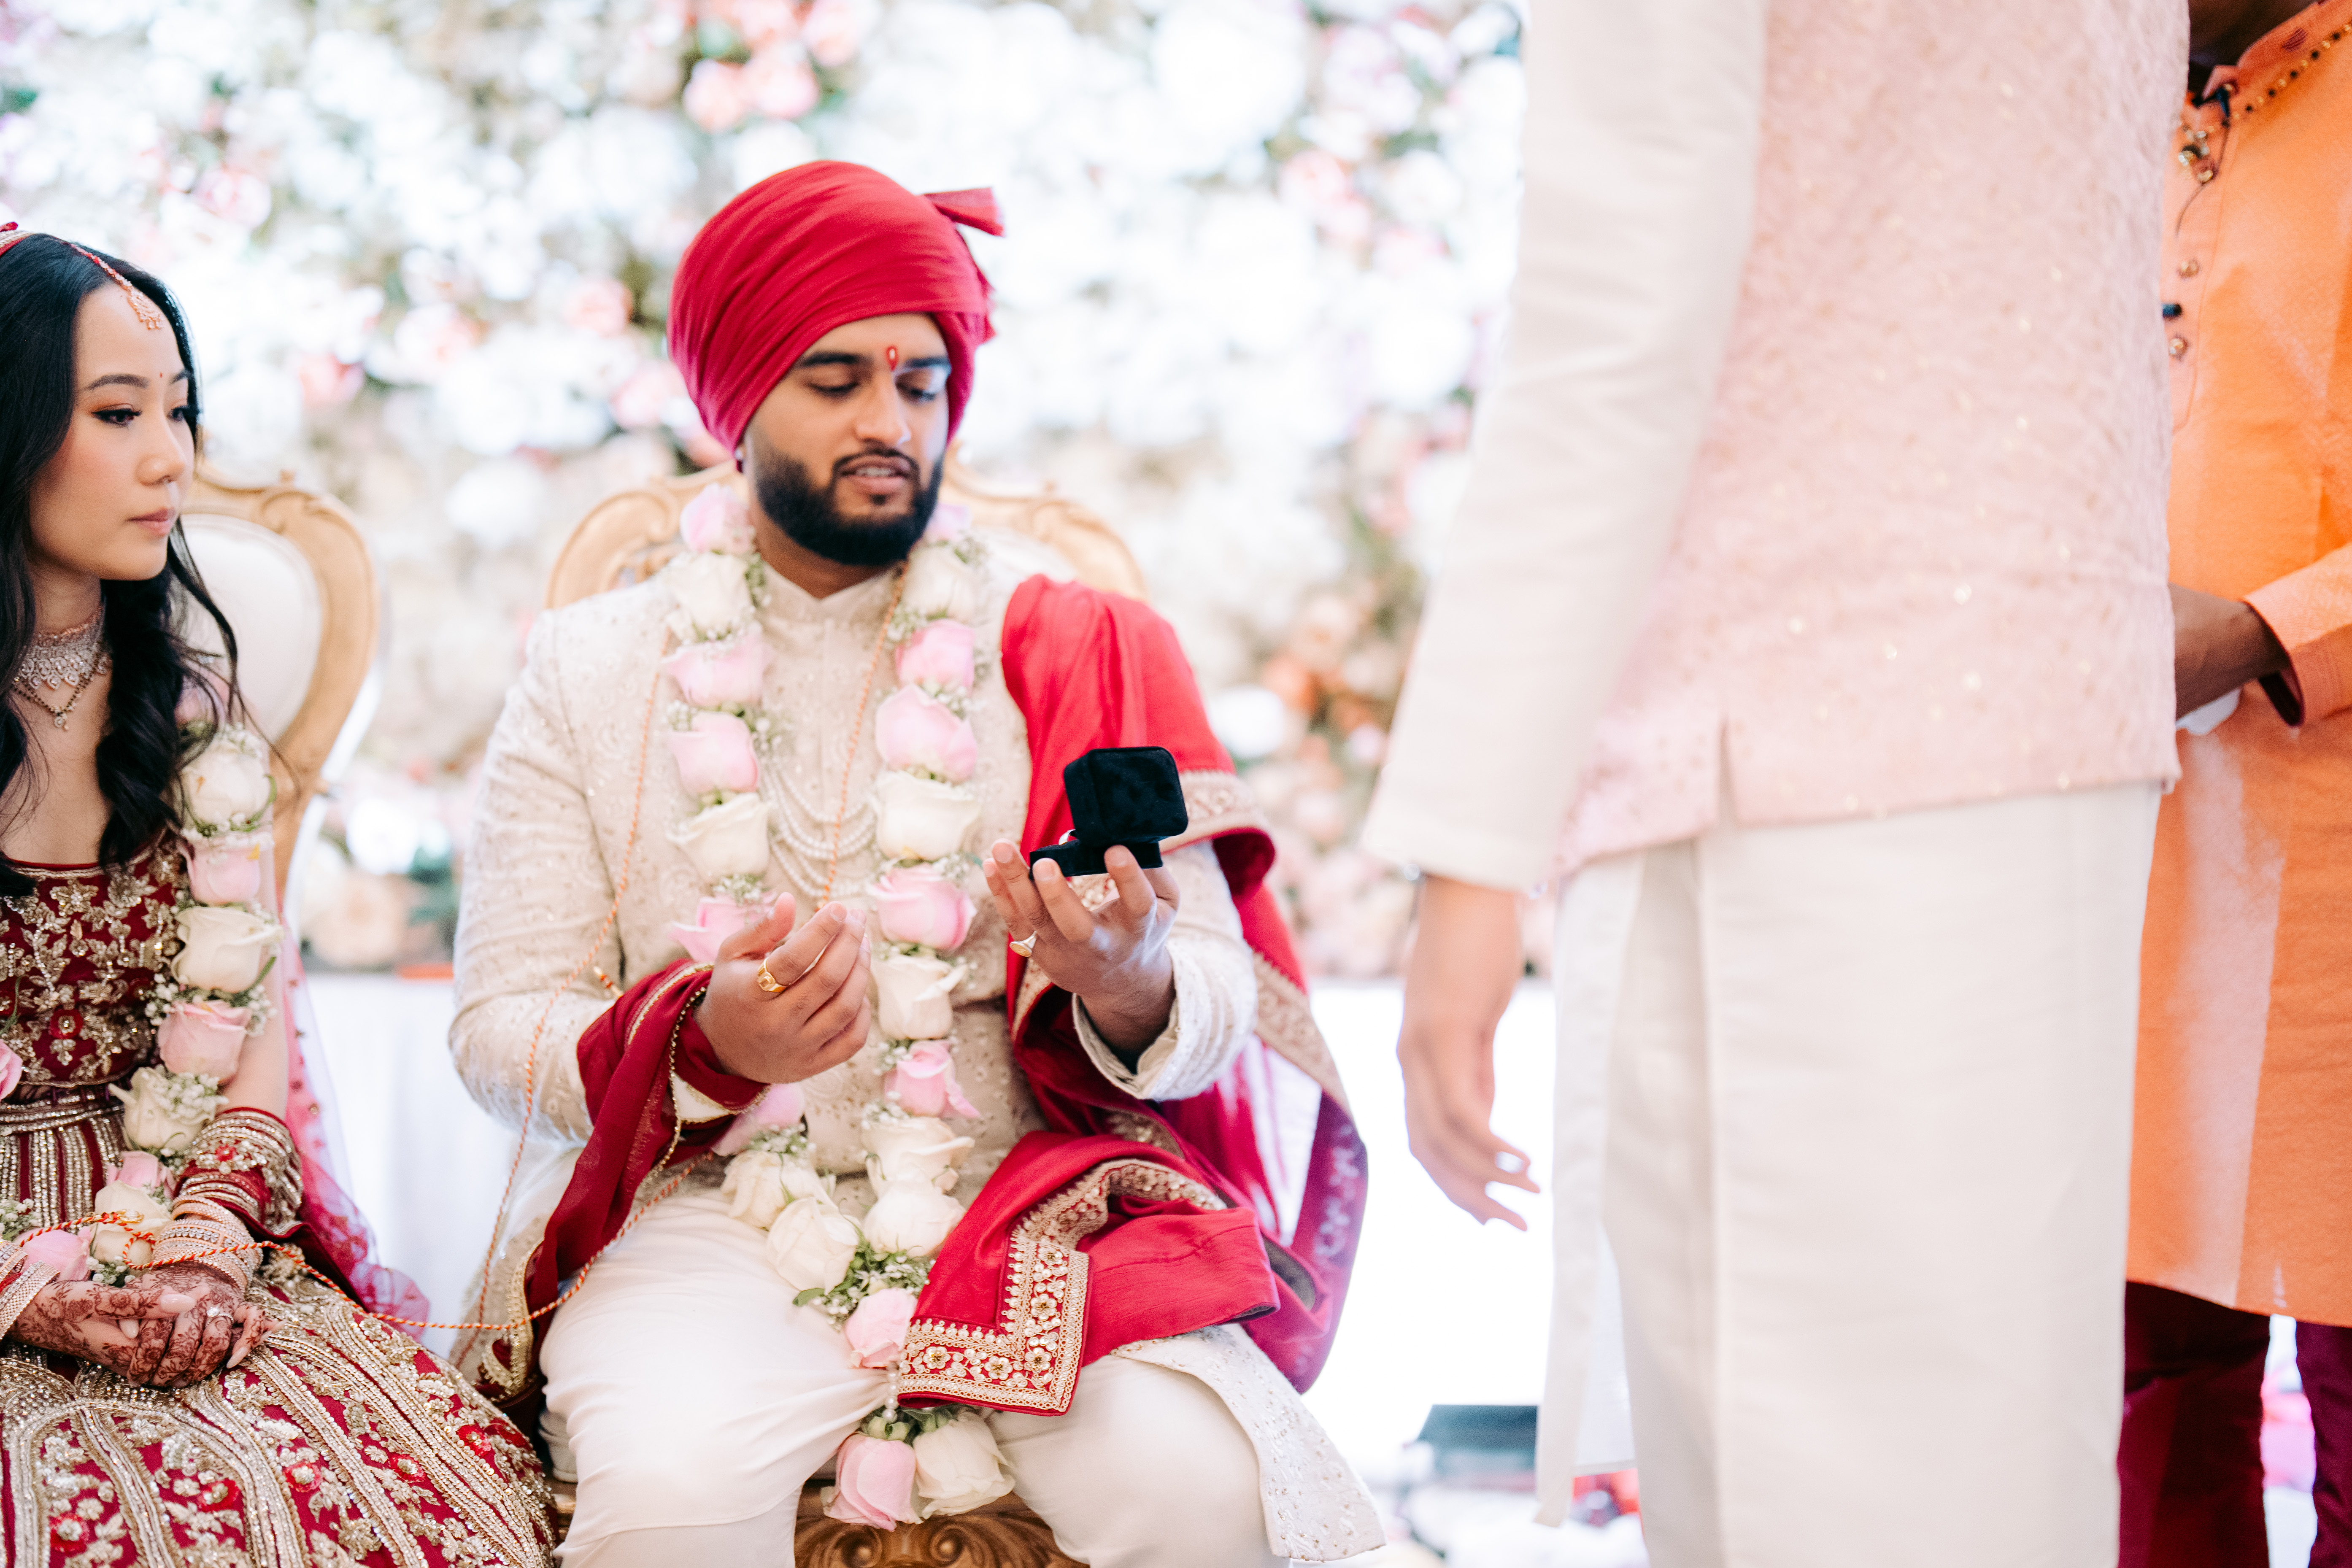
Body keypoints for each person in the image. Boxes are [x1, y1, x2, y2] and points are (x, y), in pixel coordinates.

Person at [446, 162, 1380, 1567]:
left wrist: (1133, 984)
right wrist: (702, 1047)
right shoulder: (591, 668)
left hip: (1036, 1214)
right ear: (736, 398)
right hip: (708, 1213)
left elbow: (1218, 998)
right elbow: (493, 1027)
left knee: (1205, 1490)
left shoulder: (1072, 642)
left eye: (924, 384)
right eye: (835, 381)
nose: (890, 424)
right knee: (675, 1486)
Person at [1362, 2, 2183, 1564]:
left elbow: (1621, 305)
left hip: (1791, 763)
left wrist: (1470, 850)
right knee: (2001, 1468)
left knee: (1830, 1489)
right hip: (2063, 721)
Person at [0, 227, 551, 1565]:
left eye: (179, 412)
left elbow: (250, 1040)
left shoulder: (196, 722)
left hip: (179, 1227)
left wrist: (206, 1245)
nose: (170, 460)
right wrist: (27, 1291)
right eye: (118, 414)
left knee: (412, 1510)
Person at [2120, 2, 2352, 1563]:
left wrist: (2277, 627)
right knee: (2149, 1388)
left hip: (2335, 860)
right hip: (2133, 855)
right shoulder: (2112, 113)